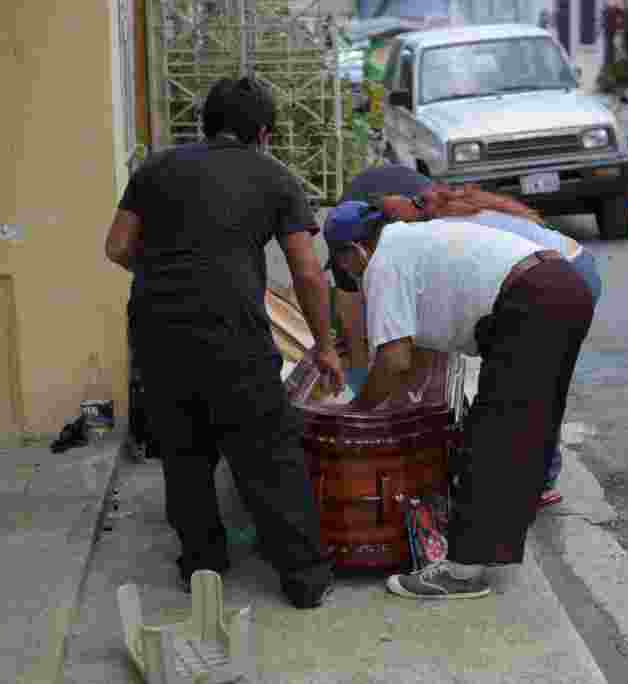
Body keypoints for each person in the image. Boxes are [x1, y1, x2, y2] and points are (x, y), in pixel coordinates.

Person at [104, 76, 345, 608]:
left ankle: (202, 565)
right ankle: (303, 579)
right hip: (233, 336)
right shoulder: (274, 176)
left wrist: (169, 273)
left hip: (156, 335)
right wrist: (325, 345)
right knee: (269, 456)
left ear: (206, 122)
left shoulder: (157, 168)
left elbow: (117, 246)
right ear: (263, 132)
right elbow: (307, 270)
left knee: (184, 454)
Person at [323, 200, 594, 599]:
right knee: (529, 424)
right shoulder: (411, 240)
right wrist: (399, 401)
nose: (349, 274)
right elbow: (415, 356)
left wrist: (357, 414)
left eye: (343, 265)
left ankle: (463, 571)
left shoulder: (383, 263)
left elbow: (393, 359)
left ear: (352, 251)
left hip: (530, 300)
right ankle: (498, 534)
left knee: (493, 434)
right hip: (563, 286)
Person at [379, 184, 603, 506]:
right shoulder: (460, 210)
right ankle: (533, 475)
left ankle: (537, 480)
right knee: (535, 379)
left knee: (530, 381)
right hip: (572, 263)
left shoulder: (443, 230)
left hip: (562, 273)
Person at [330, 165, 434, 377]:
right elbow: (350, 303)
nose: (345, 268)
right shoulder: (342, 238)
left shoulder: (418, 234)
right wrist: (360, 365)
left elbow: (431, 308)